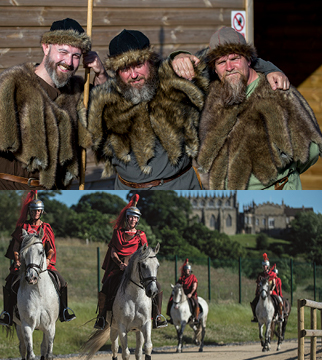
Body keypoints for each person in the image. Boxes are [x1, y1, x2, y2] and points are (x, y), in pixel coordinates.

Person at [87, 29, 289, 190]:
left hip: (181, 186)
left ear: (151, 61)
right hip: (127, 192)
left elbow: (228, 59)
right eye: (124, 69)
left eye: (138, 64)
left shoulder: (177, 81)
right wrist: (98, 72)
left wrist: (270, 69)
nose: (133, 75)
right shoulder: (105, 100)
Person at [0, 18, 105, 190]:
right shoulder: (13, 83)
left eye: (76, 56)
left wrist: (100, 73)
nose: (69, 62)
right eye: (63, 52)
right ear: (46, 47)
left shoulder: (77, 91)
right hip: (9, 188)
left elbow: (104, 108)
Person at [191, 27, 322, 189]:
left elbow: (312, 150)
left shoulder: (276, 91)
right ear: (215, 69)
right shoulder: (212, 95)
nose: (229, 67)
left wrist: (284, 175)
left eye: (235, 58)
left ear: (248, 59)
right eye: (221, 62)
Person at [0, 191, 76, 326]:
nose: (35, 213)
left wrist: (48, 259)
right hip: (24, 264)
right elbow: (15, 247)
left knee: (62, 282)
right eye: (33, 211)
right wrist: (16, 259)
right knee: (10, 283)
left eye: (38, 211)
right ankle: (8, 313)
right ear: (29, 212)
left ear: (41, 212)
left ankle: (64, 310)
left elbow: (50, 248)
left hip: (42, 264)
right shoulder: (23, 227)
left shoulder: (46, 228)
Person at [94, 195, 166, 330]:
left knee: (157, 285)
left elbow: (145, 254)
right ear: (127, 218)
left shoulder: (141, 235)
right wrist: (120, 263)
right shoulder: (118, 233)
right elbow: (113, 251)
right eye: (131, 217)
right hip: (119, 268)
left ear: (138, 220)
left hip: (135, 270)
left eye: (135, 218)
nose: (133, 220)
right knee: (107, 285)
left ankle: (157, 316)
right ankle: (102, 317)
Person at [167, 258, 199, 324]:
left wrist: (190, 293)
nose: (186, 270)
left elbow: (194, 287)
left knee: (195, 303)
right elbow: (177, 285)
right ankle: (171, 317)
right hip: (182, 294)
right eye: (185, 269)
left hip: (191, 294)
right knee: (171, 301)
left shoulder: (193, 277)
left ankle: (195, 318)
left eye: (187, 269)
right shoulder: (182, 278)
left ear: (190, 270)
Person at [250, 253, 271, 322]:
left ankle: (276, 314)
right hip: (261, 292)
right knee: (253, 303)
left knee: (276, 301)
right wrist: (257, 292)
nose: (264, 267)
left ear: (268, 266)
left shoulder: (270, 274)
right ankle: (255, 316)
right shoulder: (260, 275)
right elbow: (258, 284)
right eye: (263, 266)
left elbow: (273, 283)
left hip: (269, 292)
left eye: (265, 266)